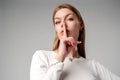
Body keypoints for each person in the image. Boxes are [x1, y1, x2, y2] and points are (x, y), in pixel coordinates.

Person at [30, 3, 120, 80]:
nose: (63, 25)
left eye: (69, 19)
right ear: (56, 29)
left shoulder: (92, 65)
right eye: (57, 22)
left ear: (81, 25)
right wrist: (60, 56)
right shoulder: (41, 56)